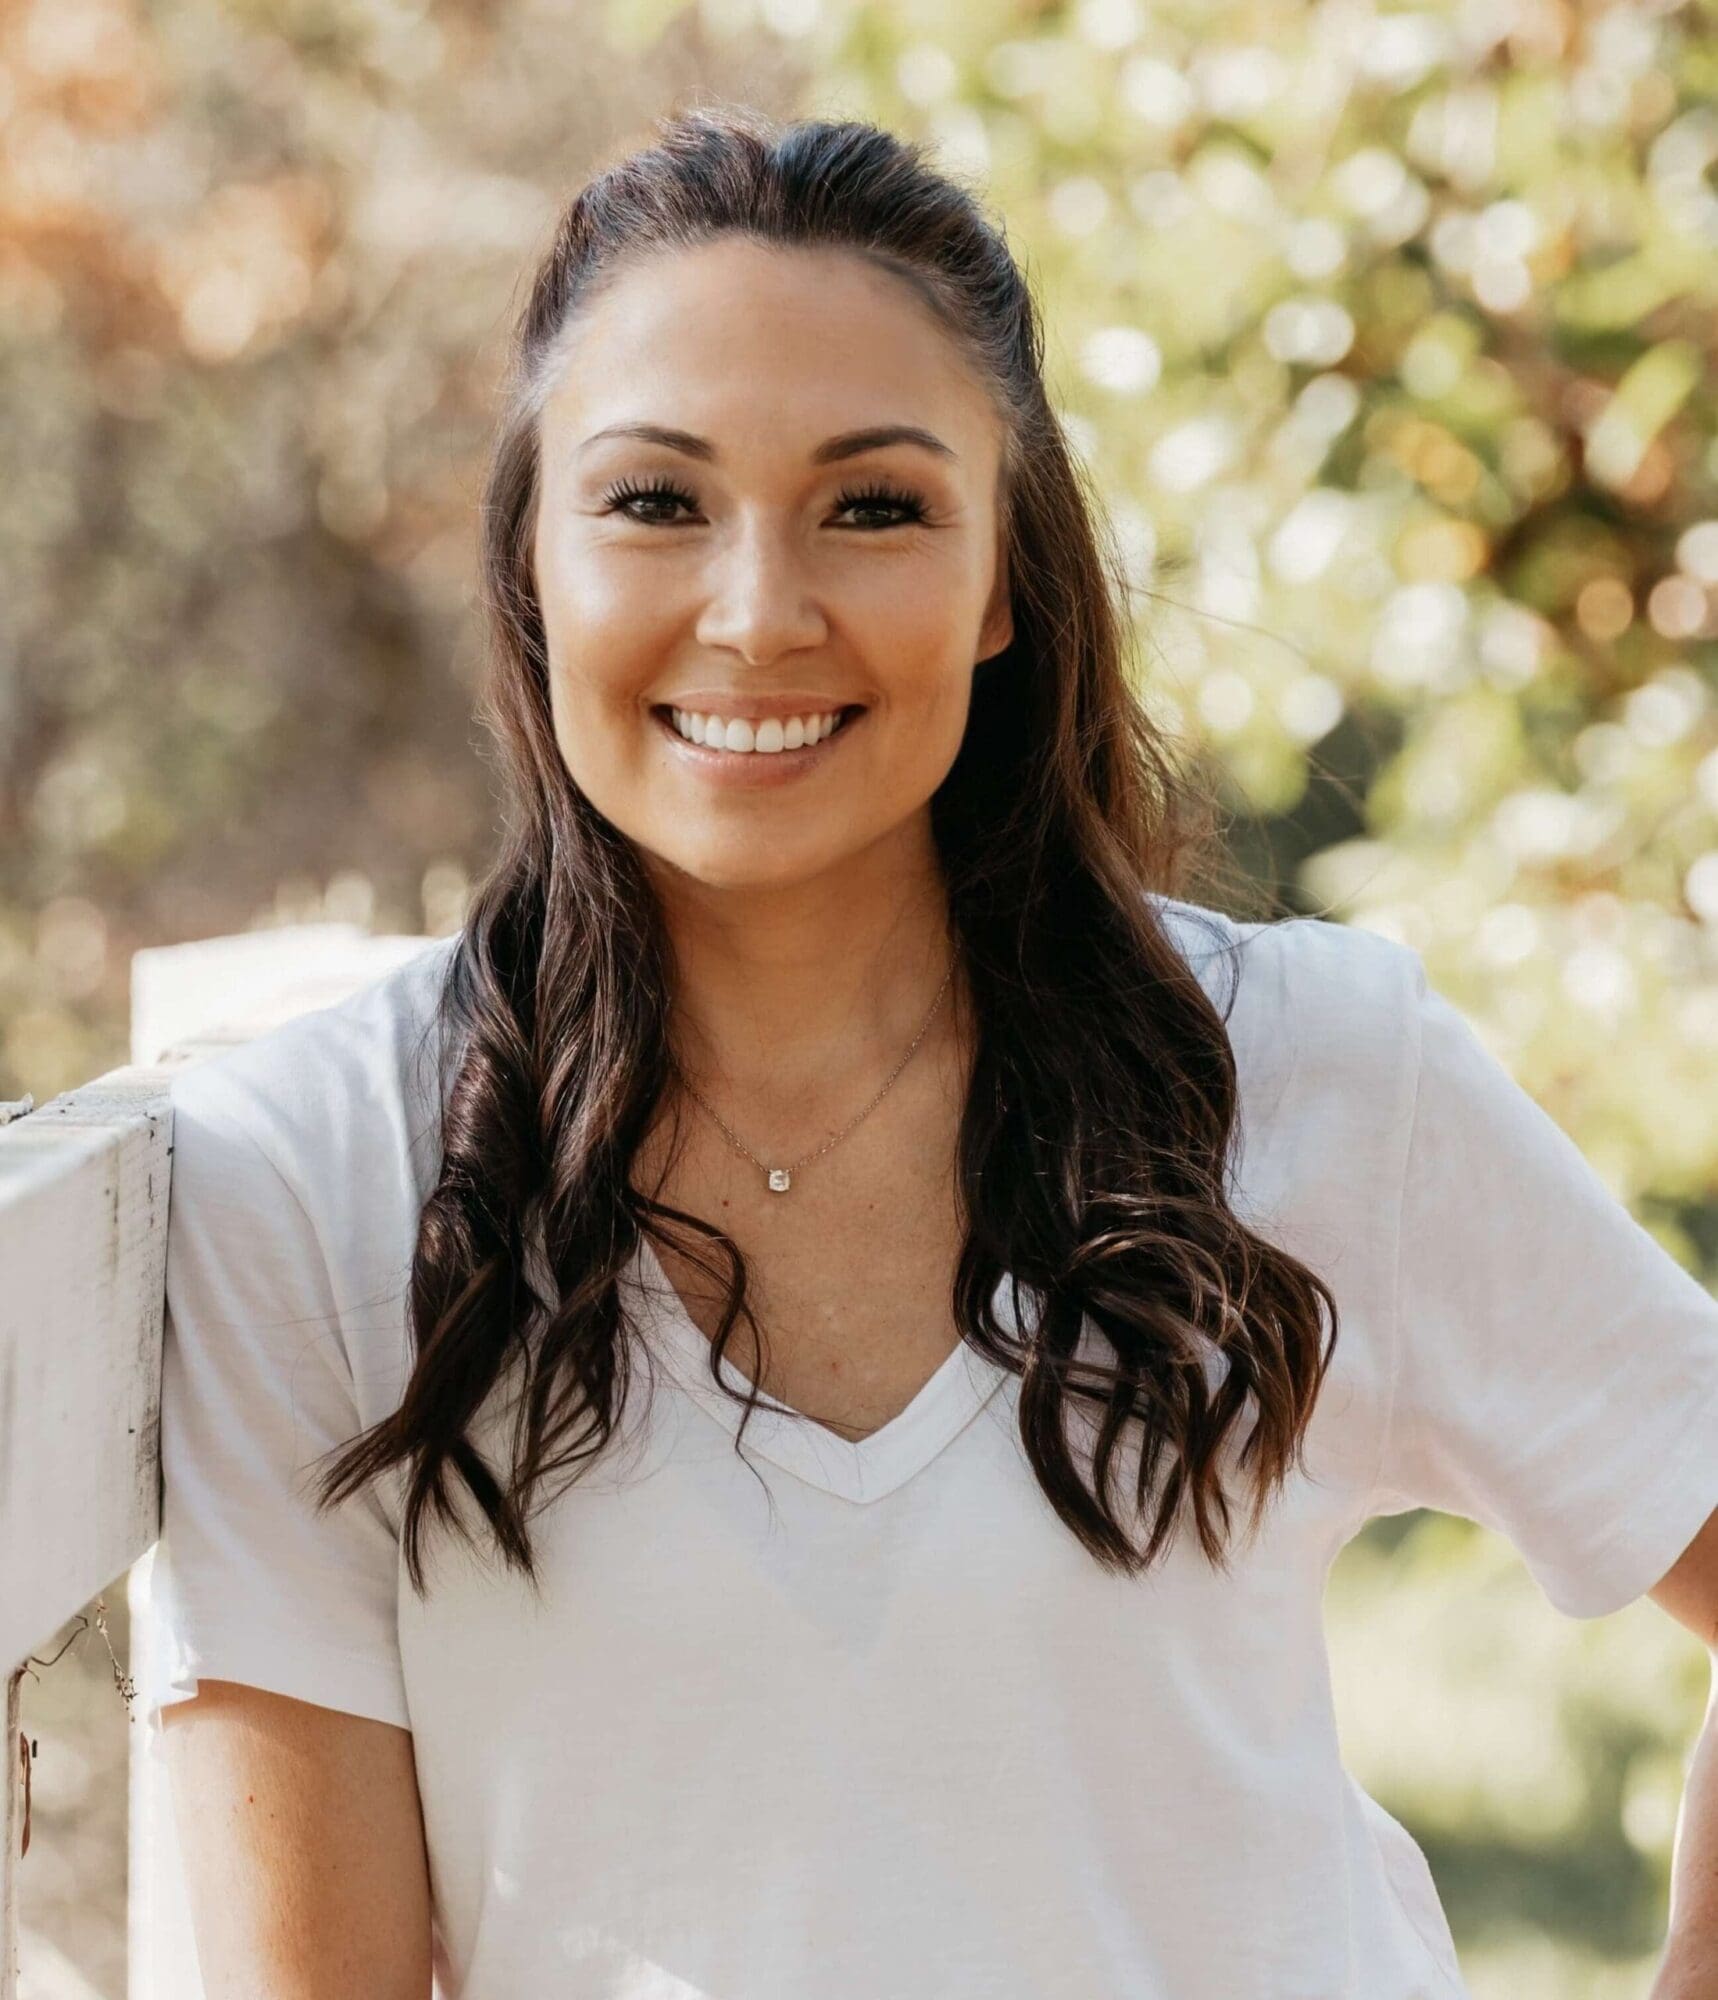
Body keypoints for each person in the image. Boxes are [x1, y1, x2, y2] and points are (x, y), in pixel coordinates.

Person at [143, 106, 1718, 2000]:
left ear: (997, 584)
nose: (757, 612)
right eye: (654, 503)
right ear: (531, 560)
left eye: (874, 507)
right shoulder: (309, 1172)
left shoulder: (1318, 1068)